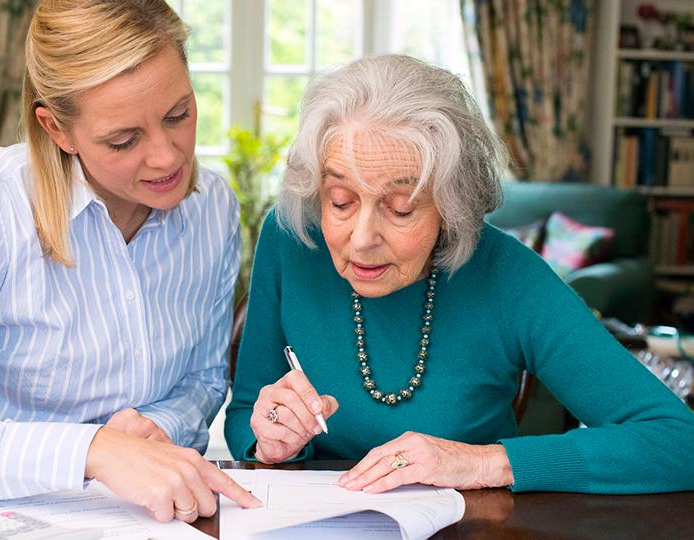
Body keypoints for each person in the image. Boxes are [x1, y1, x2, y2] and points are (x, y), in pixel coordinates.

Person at [0, 0, 261, 522]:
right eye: (123, 140)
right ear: (57, 129)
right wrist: (92, 450)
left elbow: (203, 380)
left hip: (148, 515)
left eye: (178, 115)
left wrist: (155, 429)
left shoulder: (213, 206)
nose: (167, 157)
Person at [225, 54, 694, 494]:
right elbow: (247, 412)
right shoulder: (291, 239)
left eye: (402, 208)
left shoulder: (507, 275)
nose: (362, 237)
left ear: (453, 207)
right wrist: (271, 439)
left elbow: (678, 442)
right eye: (341, 201)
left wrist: (479, 462)